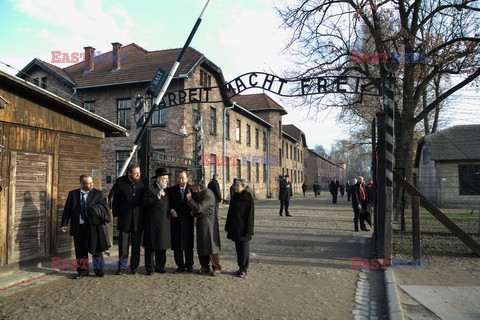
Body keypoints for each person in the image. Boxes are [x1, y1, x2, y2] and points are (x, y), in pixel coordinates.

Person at [61, 174, 110, 279]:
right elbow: (67, 210)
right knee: (80, 251)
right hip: (78, 226)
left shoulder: (97, 194)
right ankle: (82, 272)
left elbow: (104, 208)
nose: (91, 184)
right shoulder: (73, 194)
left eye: (92, 182)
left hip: (93, 227)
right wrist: (64, 224)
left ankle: (99, 270)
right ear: (82, 184)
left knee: (96, 250)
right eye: (88, 183)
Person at [112, 163, 146, 275]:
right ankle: (121, 266)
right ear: (129, 173)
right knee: (123, 245)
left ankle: (134, 266)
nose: (138, 175)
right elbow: (116, 199)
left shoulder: (143, 182)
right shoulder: (120, 182)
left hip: (139, 218)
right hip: (124, 217)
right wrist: (115, 214)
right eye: (135, 173)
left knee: (136, 245)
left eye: (139, 173)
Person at [186, 180, 222, 276]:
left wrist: (190, 200)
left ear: (198, 187)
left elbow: (199, 208)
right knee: (201, 245)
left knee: (211, 245)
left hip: (209, 223)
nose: (191, 188)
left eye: (193, 186)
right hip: (201, 222)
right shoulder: (199, 193)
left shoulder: (207, 194)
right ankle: (204, 266)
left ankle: (216, 267)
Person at [141, 168, 171, 275]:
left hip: (164, 222)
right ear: (158, 179)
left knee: (162, 245)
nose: (167, 181)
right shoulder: (149, 189)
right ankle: (150, 268)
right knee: (151, 246)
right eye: (165, 179)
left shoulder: (167, 190)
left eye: (167, 179)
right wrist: (157, 196)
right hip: (152, 222)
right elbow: (144, 202)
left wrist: (171, 210)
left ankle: (160, 266)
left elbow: (169, 203)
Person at [225, 178, 254, 278]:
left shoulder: (248, 197)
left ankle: (244, 269)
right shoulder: (234, 197)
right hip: (235, 227)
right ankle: (240, 267)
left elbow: (250, 215)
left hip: (244, 228)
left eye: (237, 185)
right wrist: (228, 226)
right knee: (238, 248)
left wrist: (249, 230)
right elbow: (230, 213)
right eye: (235, 185)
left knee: (244, 249)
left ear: (243, 186)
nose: (235, 187)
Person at [167, 170, 194, 273]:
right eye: (179, 177)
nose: (180, 180)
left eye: (182, 178)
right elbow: (168, 203)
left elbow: (196, 203)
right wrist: (171, 210)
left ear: (187, 178)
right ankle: (180, 265)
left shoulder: (191, 189)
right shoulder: (172, 190)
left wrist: (193, 209)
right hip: (176, 220)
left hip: (188, 220)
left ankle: (189, 265)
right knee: (177, 244)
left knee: (188, 244)